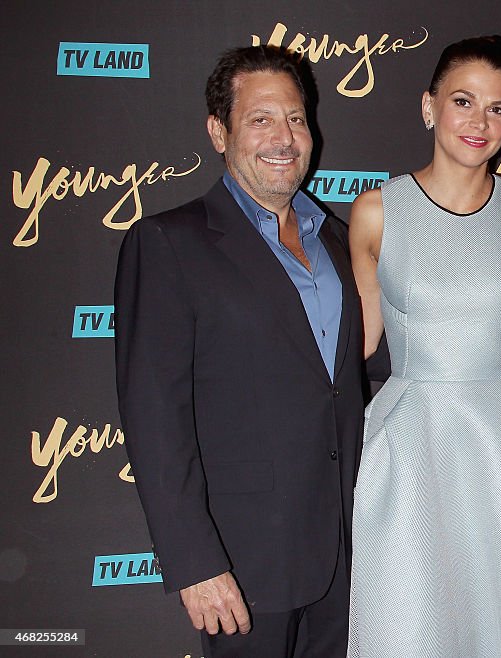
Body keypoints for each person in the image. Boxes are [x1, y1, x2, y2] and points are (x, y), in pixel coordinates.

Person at [115, 45, 365, 657]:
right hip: (244, 561)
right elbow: (154, 417)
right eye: (261, 119)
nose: (285, 137)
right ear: (219, 131)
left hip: (350, 550)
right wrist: (194, 560)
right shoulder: (169, 243)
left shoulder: (341, 240)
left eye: (297, 119)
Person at [346, 36, 501, 657]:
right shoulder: (376, 209)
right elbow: (363, 337)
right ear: (429, 107)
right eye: (463, 100)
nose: (480, 122)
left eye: (498, 109)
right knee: (410, 610)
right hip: (412, 441)